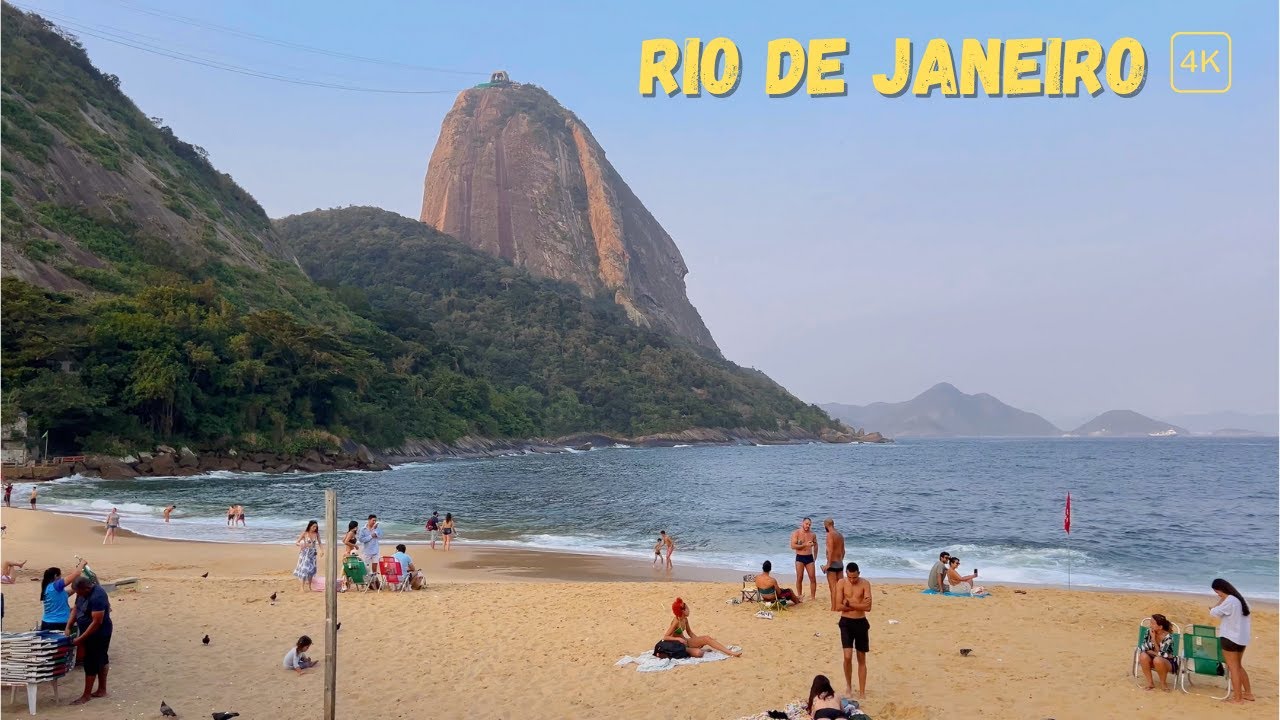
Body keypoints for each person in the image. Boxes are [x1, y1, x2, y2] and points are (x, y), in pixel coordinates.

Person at [67, 576, 112, 705]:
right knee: (100, 658)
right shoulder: (81, 592)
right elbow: (76, 608)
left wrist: (81, 639)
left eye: (79, 592)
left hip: (100, 632)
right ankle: (101, 690)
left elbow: (96, 622)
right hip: (87, 630)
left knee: (92, 661)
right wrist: (69, 625)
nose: (78, 595)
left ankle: (87, 695)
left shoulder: (98, 596)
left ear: (86, 589)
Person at [1209, 577, 1254, 703]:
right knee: (1238, 666)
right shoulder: (1241, 600)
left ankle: (1238, 698)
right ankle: (1248, 693)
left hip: (1230, 637)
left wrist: (1220, 600)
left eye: (1217, 592)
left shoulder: (1229, 600)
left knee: (1233, 668)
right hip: (1242, 639)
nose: (1217, 595)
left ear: (1220, 589)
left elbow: (1214, 612)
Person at [835, 561, 872, 699]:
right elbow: (838, 606)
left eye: (855, 577)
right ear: (846, 574)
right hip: (846, 622)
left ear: (859, 574)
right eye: (850, 577)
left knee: (861, 658)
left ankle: (862, 691)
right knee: (847, 656)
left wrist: (849, 603)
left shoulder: (865, 584)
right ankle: (849, 686)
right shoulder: (841, 583)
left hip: (861, 622)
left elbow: (868, 607)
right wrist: (858, 605)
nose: (852, 580)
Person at [663, 598, 741, 658]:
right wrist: (678, 639)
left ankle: (730, 653)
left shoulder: (685, 619)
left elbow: (690, 632)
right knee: (699, 653)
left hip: (686, 642)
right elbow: (665, 637)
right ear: (682, 611)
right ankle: (693, 650)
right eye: (687, 608)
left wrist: (699, 641)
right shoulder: (676, 621)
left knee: (706, 639)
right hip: (677, 646)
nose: (689, 609)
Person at [1138, 613, 1179, 691]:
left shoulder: (1168, 638)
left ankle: (1163, 684)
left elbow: (1162, 655)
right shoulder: (1149, 632)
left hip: (1168, 662)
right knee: (1143, 656)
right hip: (1154, 658)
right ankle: (1150, 683)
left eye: (1153, 623)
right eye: (1150, 623)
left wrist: (1153, 640)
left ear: (1160, 627)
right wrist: (1156, 653)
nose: (1150, 625)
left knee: (1158, 660)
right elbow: (1144, 647)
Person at [39, 562, 85, 631]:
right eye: (60, 576)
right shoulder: (56, 585)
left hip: (47, 622)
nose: (61, 578)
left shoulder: (48, 588)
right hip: (58, 623)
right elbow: (76, 574)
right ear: (56, 576)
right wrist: (82, 564)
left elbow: (69, 592)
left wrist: (80, 586)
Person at [791, 517, 818, 601]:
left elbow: (816, 545)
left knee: (812, 578)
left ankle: (813, 597)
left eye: (809, 524)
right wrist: (805, 545)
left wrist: (815, 556)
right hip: (800, 557)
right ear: (802, 523)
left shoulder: (812, 534)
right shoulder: (797, 533)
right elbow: (793, 546)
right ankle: (799, 596)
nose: (808, 526)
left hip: (809, 557)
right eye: (806, 524)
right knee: (799, 577)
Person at [293, 520, 322, 590]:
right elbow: (297, 542)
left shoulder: (316, 534)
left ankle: (309, 587)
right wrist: (302, 545)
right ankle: (302, 587)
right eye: (313, 526)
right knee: (304, 569)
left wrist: (322, 551)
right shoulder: (305, 533)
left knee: (311, 570)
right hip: (305, 554)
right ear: (310, 526)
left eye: (316, 527)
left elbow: (320, 543)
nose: (315, 528)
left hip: (313, 554)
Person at [823, 518, 845, 610]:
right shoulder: (840, 535)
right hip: (840, 563)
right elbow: (843, 551)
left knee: (833, 588)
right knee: (840, 587)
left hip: (832, 564)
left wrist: (828, 564)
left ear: (826, 525)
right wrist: (840, 560)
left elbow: (830, 550)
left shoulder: (830, 534)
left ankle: (834, 607)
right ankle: (840, 606)